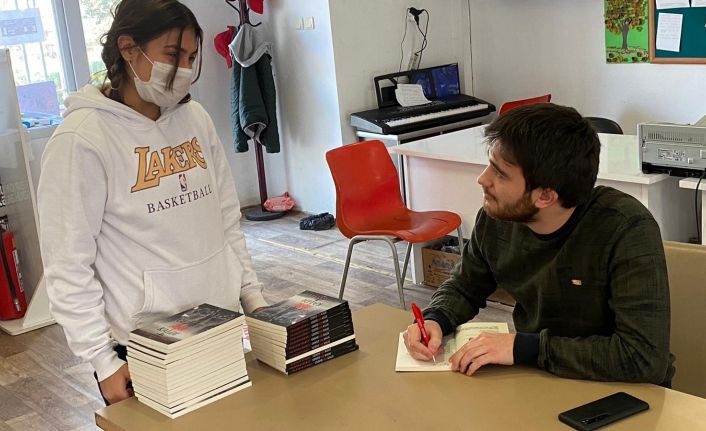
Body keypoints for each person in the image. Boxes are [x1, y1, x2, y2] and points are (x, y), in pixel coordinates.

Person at [37, 0, 267, 405]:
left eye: (191, 57)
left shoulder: (195, 119)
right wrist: (103, 362)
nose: (183, 69)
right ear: (128, 48)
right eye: (172, 54)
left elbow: (227, 221)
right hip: (147, 345)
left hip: (222, 324)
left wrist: (255, 301)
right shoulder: (81, 139)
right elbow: (68, 265)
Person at [403, 103, 675, 386]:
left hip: (621, 389)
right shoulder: (496, 219)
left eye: (500, 173)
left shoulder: (625, 228)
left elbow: (643, 358)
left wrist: (521, 347)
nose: (482, 179)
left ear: (545, 196)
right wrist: (436, 319)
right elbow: (464, 286)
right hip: (542, 375)